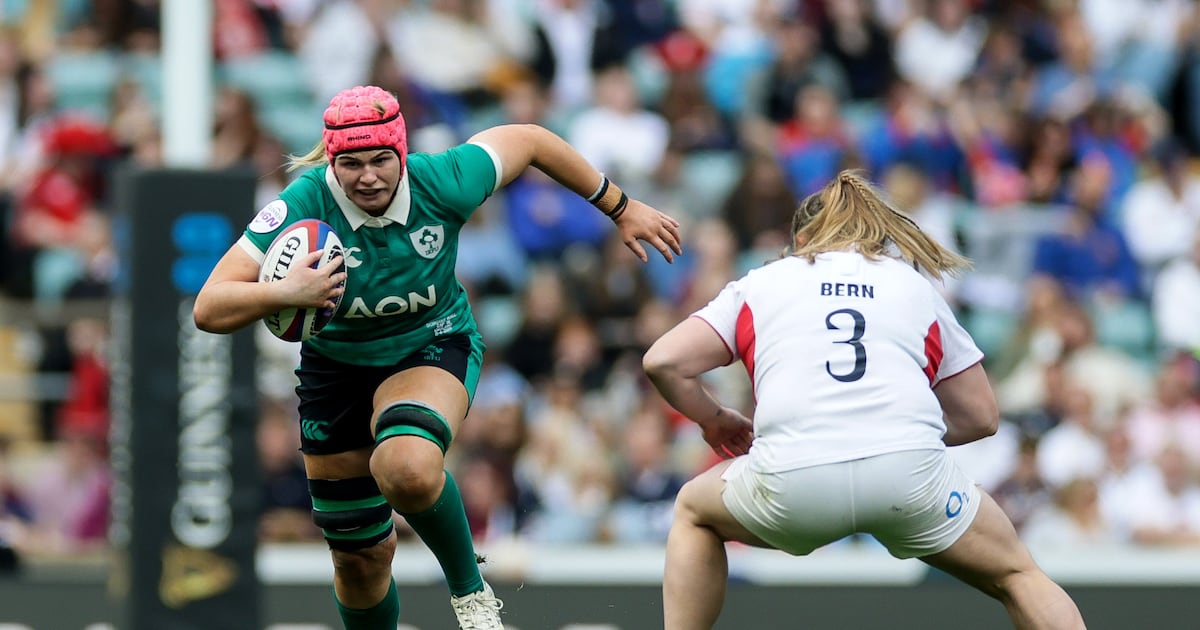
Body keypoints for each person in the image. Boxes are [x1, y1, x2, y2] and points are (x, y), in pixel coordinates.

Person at [194, 84, 682, 630]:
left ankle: (472, 598)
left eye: (381, 160)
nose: (368, 177)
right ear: (331, 163)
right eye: (351, 164)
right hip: (334, 372)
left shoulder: (444, 179)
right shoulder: (302, 204)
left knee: (405, 466)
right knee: (359, 561)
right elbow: (208, 306)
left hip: (430, 344)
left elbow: (530, 140)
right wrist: (284, 293)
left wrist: (620, 207)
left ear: (402, 153)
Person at [642, 170, 1086, 630]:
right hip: (908, 478)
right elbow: (981, 417)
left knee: (693, 511)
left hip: (795, 479)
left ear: (803, 239)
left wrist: (714, 419)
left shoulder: (762, 282)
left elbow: (663, 362)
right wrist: (894, 437)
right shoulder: (912, 286)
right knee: (1018, 575)